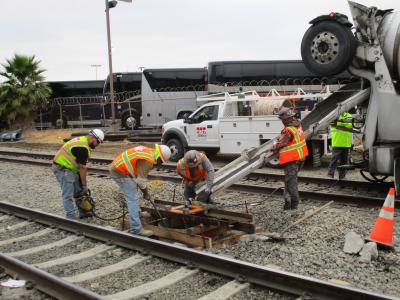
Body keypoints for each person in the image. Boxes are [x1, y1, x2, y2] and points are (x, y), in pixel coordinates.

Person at [109, 144, 171, 236]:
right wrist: (146, 193)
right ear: (159, 157)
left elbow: (139, 178)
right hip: (119, 172)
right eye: (161, 161)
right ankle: (136, 229)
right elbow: (141, 181)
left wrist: (143, 190)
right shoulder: (148, 161)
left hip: (119, 168)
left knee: (134, 191)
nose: (160, 164)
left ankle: (137, 213)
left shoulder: (149, 151)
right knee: (132, 199)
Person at [52, 129, 105, 219]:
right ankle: (71, 217)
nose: (97, 145)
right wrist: (84, 185)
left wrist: (82, 186)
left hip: (71, 168)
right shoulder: (82, 147)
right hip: (62, 168)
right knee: (67, 194)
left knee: (79, 192)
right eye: (98, 142)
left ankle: (83, 212)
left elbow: (80, 166)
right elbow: (82, 168)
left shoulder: (83, 141)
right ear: (93, 138)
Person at [269, 107, 308, 210]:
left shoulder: (288, 130)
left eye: (282, 119)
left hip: (292, 160)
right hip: (300, 158)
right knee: (289, 181)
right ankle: (287, 203)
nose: (282, 121)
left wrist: (273, 147)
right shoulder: (297, 125)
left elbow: (282, 143)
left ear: (286, 119)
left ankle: (294, 205)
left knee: (291, 184)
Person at [328, 112, 353, 179]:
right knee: (334, 160)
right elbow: (333, 124)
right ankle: (330, 174)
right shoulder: (334, 115)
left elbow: (348, 125)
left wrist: (339, 121)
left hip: (345, 142)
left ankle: (342, 176)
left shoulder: (348, 115)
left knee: (344, 161)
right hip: (337, 142)